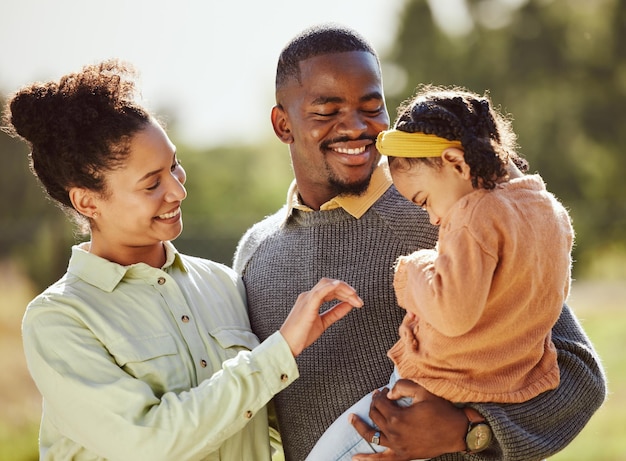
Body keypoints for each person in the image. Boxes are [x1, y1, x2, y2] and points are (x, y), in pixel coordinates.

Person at [233, 23, 607, 461]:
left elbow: (579, 373)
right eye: (326, 111)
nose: (355, 128)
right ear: (283, 124)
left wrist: (468, 431)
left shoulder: (453, 217)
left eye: (371, 108)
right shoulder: (254, 256)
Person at [3, 59, 365, 460]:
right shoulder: (60, 319)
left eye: (173, 165)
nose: (177, 191)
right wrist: (280, 350)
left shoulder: (223, 283)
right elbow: (150, 442)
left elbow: (270, 427)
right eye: (152, 183)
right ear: (87, 201)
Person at [307, 84, 575, 460]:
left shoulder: (473, 215)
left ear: (456, 163)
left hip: (419, 395)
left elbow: (452, 311)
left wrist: (411, 268)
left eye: (425, 200)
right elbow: (550, 299)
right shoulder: (551, 213)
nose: (432, 218)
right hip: (501, 388)